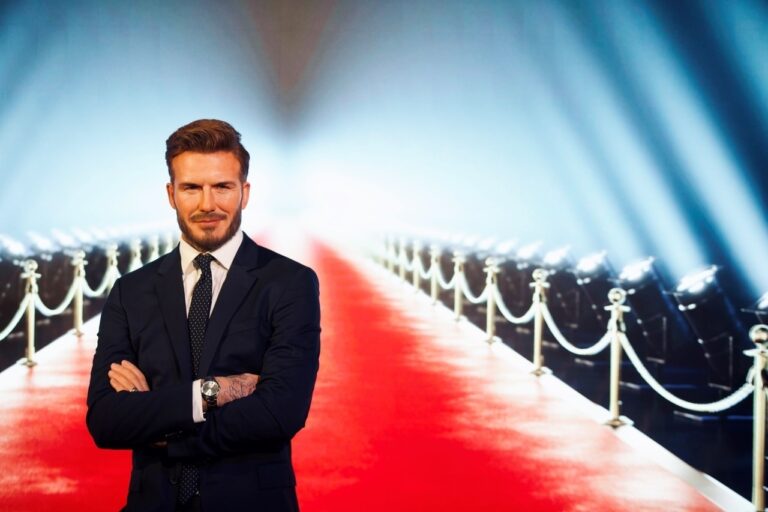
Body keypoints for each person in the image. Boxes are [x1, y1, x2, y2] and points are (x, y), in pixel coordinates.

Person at [86, 119, 321, 512]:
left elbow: (280, 413)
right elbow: (107, 420)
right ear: (171, 194)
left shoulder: (290, 283)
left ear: (245, 192)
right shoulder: (131, 291)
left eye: (222, 187)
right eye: (191, 188)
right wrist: (210, 393)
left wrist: (160, 426)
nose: (207, 204)